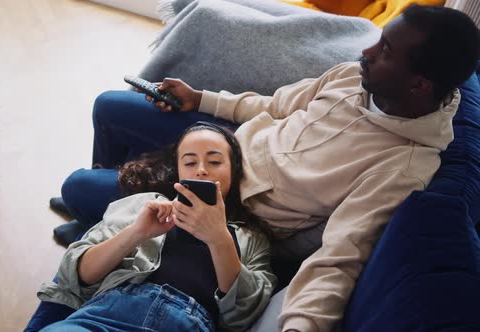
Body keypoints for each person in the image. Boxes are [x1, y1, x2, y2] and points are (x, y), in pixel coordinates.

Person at [51, 5, 480, 332]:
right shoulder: (355, 77)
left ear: (419, 84)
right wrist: (199, 98)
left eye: (385, 51)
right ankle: (101, 219)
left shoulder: (402, 164)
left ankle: (96, 214)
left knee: (79, 188)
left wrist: (301, 326)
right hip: (225, 149)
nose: (366, 52)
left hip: (235, 209)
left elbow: (341, 256)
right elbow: (273, 105)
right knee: (109, 106)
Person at [36, 122, 277, 331]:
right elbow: (75, 276)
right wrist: (137, 233)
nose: (201, 169)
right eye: (190, 162)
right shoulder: (145, 205)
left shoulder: (252, 237)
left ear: (233, 170)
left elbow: (244, 315)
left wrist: (219, 239)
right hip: (107, 313)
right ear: (179, 171)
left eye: (214, 161)